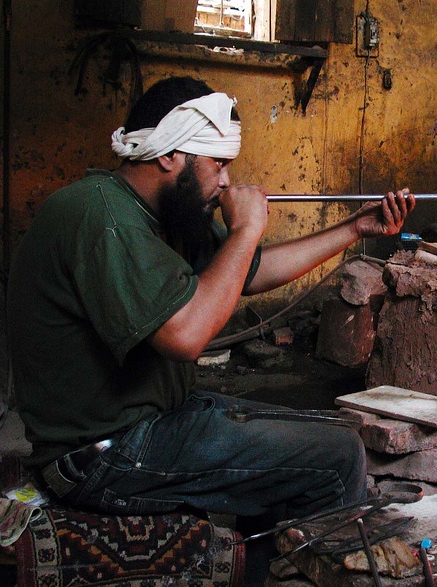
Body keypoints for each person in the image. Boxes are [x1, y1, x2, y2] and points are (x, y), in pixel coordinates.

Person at [5, 76, 415, 583]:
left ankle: (258, 571)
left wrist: (353, 229)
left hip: (149, 422)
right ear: (168, 155)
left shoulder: (157, 213)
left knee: (324, 431)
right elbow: (185, 336)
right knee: (337, 458)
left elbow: (245, 272)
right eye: (217, 164)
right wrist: (245, 229)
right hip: (102, 454)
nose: (225, 182)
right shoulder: (101, 214)